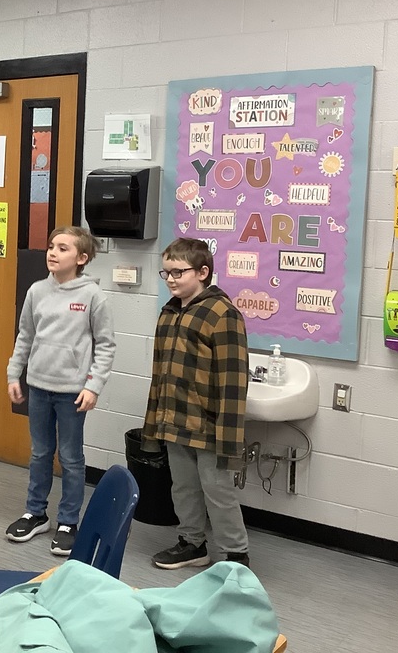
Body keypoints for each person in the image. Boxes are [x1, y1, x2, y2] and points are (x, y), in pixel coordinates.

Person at [5, 226, 115, 557]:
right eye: (51, 246)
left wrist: (93, 386)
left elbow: (106, 346)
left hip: (72, 393)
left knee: (70, 457)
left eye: (63, 248)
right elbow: (25, 336)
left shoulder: (93, 296)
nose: (52, 252)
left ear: (82, 258)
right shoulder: (37, 291)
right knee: (40, 453)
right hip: (38, 387)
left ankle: (68, 522)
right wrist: (14, 374)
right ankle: (35, 513)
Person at [142, 237, 251, 570]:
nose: (171, 279)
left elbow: (234, 383)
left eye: (179, 272)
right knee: (183, 487)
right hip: (176, 419)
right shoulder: (169, 312)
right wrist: (155, 423)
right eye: (166, 272)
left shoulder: (222, 313)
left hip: (209, 426)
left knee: (218, 491)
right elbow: (160, 374)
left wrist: (228, 439)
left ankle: (235, 555)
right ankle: (192, 544)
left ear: (203, 272)